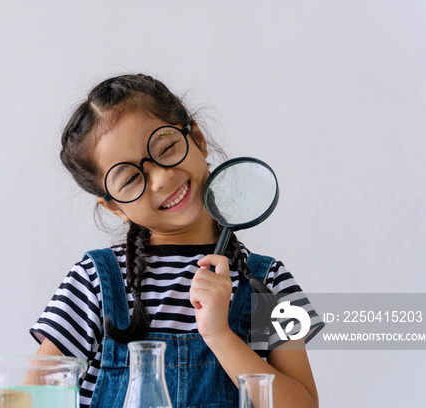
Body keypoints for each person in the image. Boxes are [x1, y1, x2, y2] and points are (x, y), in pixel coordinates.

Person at [30, 74, 323, 408]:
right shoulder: (94, 280)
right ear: (114, 207)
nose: (161, 178)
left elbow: (304, 405)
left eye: (166, 148)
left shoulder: (268, 281)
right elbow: (36, 396)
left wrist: (219, 335)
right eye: (130, 179)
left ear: (197, 138)